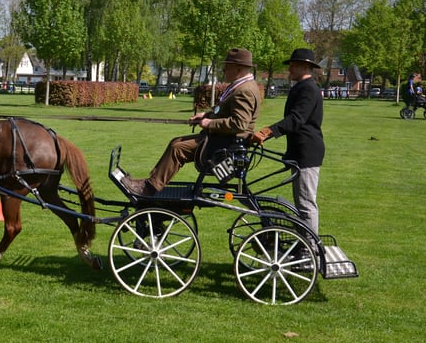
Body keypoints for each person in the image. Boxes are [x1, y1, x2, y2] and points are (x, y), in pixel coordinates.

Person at [122, 48, 261, 196]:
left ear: (238, 68)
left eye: (227, 66)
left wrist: (209, 123)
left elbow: (239, 123)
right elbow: (225, 112)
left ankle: (148, 189)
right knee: (175, 143)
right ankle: (151, 184)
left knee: (178, 148)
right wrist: (205, 115)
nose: (224, 69)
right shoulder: (242, 86)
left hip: (225, 144)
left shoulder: (244, 90)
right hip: (221, 139)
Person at [251, 48, 324, 235]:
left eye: (293, 64)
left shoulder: (308, 89)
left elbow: (296, 119)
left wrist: (268, 131)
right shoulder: (301, 87)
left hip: (307, 151)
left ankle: (310, 250)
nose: (289, 68)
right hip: (300, 150)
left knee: (306, 203)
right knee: (302, 202)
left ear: (305, 66)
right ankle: (305, 245)